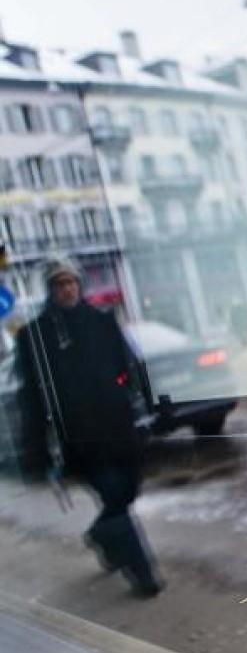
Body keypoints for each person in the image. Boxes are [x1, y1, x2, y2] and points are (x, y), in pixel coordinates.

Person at [15, 256, 164, 598]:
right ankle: (144, 575)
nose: (66, 289)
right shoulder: (35, 336)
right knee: (113, 495)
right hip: (78, 438)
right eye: (58, 284)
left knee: (126, 493)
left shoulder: (101, 321)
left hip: (120, 426)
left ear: (79, 285)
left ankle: (101, 535)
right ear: (50, 290)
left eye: (70, 282)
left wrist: (149, 403)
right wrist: (35, 451)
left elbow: (129, 364)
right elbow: (31, 397)